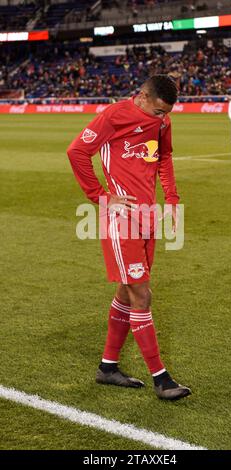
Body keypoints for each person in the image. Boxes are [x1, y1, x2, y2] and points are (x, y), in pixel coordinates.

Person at [67, 74, 191, 401]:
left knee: (126, 289)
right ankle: (161, 379)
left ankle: (107, 367)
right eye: (158, 112)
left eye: (166, 114)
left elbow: (164, 157)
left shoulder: (162, 123)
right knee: (142, 294)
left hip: (148, 217)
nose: (162, 119)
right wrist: (101, 197)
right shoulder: (114, 116)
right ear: (142, 97)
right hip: (120, 219)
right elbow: (77, 151)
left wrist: (173, 200)